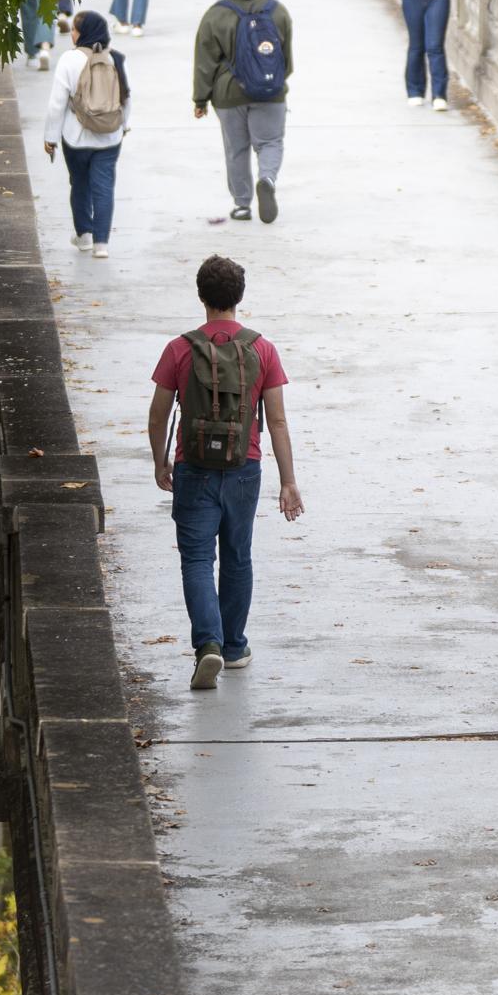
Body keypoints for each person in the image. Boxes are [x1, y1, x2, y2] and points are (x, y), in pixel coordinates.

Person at [147, 254, 304, 690]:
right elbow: (276, 422)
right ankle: (233, 647)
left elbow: (158, 415)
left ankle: (208, 646)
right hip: (243, 469)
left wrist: (160, 459)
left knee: (197, 559)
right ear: (239, 297)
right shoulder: (262, 349)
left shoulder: (179, 349)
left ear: (202, 297)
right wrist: (288, 481)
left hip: (192, 470)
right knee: (237, 557)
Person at [193, 0, 292, 224]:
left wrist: (200, 99)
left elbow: (205, 63)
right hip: (270, 90)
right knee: (270, 142)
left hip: (229, 93)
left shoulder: (216, 15)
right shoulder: (277, 10)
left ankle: (241, 205)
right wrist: (275, 81)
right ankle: (267, 179)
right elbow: (287, 59)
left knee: (236, 149)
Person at [40, 10, 131, 259]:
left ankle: (84, 236)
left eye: (74, 29)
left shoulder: (69, 60)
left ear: (82, 33)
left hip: (75, 136)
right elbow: (126, 96)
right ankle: (102, 243)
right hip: (109, 137)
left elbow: (57, 104)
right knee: (104, 188)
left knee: (79, 184)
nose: (71, 33)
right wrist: (123, 126)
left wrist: (50, 137)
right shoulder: (117, 59)